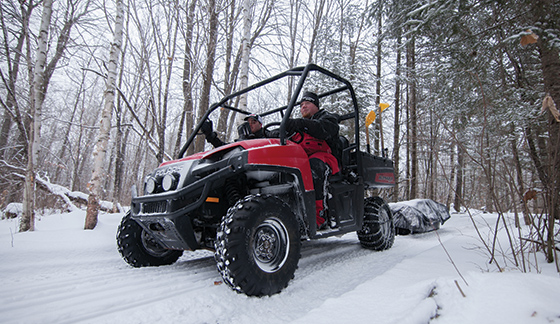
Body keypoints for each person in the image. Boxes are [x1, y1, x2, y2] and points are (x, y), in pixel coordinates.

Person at [285, 91, 340, 229]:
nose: (303, 107)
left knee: (313, 167)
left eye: (307, 103)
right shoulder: (299, 127)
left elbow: (323, 129)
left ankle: (319, 216)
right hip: (303, 159)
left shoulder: (328, 118)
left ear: (316, 105)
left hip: (326, 158)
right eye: (301, 104)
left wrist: (300, 123)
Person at [201, 113, 269, 148]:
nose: (250, 125)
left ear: (260, 125)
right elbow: (224, 147)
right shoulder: (243, 140)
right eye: (249, 123)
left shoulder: (267, 136)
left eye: (253, 122)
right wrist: (210, 136)